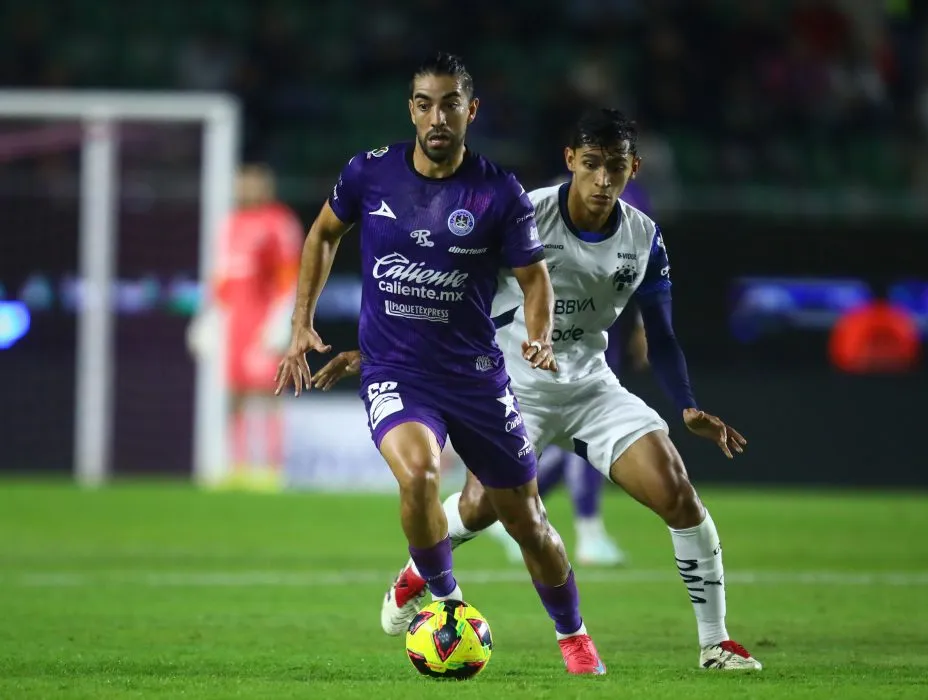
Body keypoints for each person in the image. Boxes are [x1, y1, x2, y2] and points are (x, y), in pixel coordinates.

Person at [314, 108, 762, 671]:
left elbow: (663, 334)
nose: (603, 180)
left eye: (616, 168)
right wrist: (388, 352)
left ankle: (715, 643)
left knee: (678, 494)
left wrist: (689, 403)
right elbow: (451, 285)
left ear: (634, 169)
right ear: (570, 161)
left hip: (591, 384)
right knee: (480, 509)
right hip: (511, 383)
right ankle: (415, 575)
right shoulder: (524, 212)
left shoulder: (644, 237)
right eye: (592, 165)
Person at [274, 53, 605, 675]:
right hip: (396, 372)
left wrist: (538, 338)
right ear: (411, 109)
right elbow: (321, 234)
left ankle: (574, 636)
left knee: (526, 520)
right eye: (425, 103)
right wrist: (301, 323)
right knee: (420, 473)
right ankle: (447, 602)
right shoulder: (369, 174)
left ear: (470, 111)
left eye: (450, 103)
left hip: (475, 377)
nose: (437, 116)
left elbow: (536, 280)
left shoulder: (498, 191)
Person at [485, 180, 654, 566]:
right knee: (577, 438)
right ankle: (587, 532)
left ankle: (506, 508)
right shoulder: (551, 203)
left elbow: (639, 265)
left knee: (575, 442)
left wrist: (643, 325)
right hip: (552, 337)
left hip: (591, 333)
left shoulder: (631, 204)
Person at [187, 164, 302, 491]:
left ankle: (270, 468)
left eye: (252, 184)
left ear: (266, 186)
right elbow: (220, 278)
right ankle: (236, 466)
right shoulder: (229, 225)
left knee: (269, 391)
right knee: (234, 394)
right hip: (233, 321)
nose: (246, 190)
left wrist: (282, 319)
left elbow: (289, 274)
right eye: (241, 184)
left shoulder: (279, 223)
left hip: (264, 320)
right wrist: (208, 317)